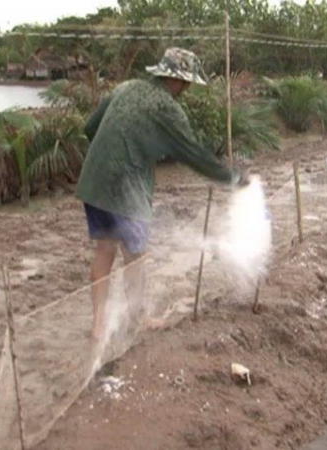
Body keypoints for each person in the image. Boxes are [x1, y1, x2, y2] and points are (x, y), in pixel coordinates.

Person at [75, 47, 247, 342]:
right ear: (180, 81)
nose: (187, 89)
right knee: (136, 257)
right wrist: (232, 178)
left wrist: (112, 149)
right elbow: (193, 154)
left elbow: (90, 127)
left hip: (94, 181)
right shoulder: (167, 108)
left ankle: (98, 326)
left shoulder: (126, 87)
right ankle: (136, 320)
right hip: (126, 189)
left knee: (104, 251)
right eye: (188, 83)